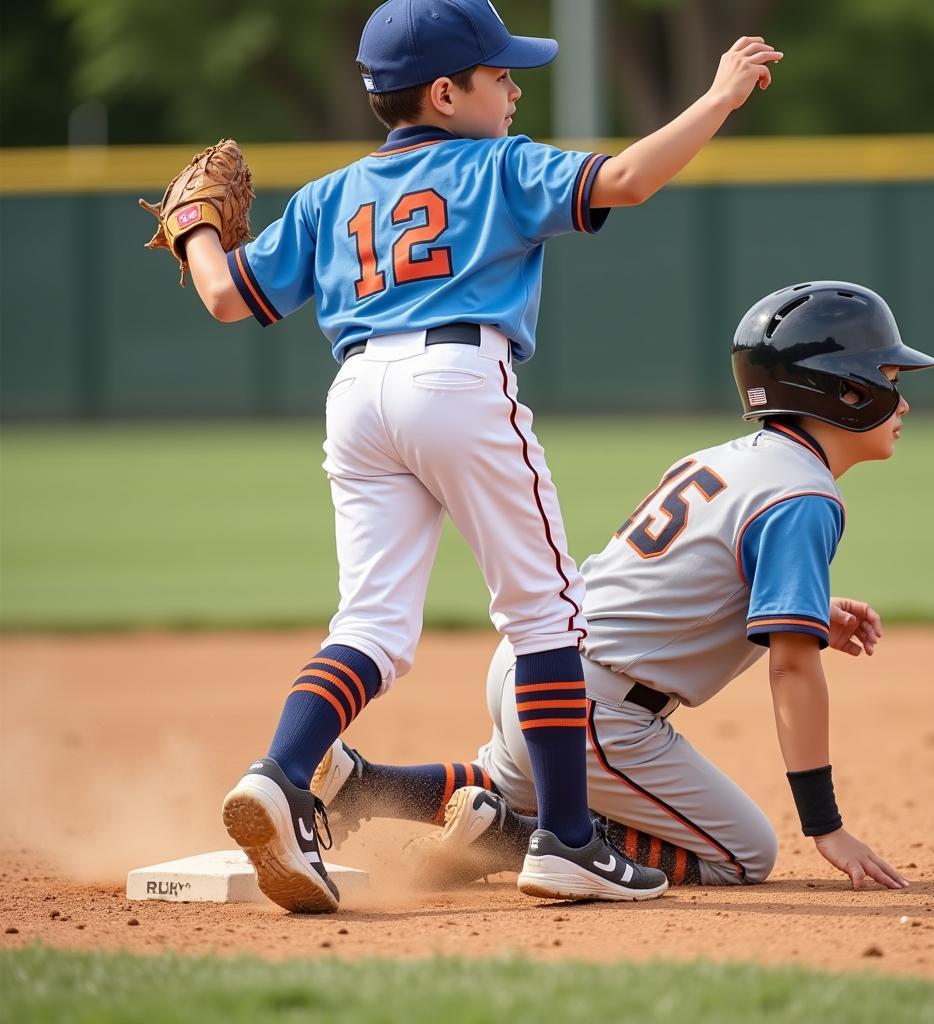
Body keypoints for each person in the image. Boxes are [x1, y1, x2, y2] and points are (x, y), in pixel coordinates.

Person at [177, 0, 783, 911]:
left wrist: (194, 230)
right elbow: (624, 180)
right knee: (549, 617)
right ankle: (571, 844)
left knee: (374, 626)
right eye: (501, 76)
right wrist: (717, 98)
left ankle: (280, 771)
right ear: (447, 92)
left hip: (356, 399)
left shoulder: (329, 194)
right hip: (458, 378)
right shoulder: (498, 164)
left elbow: (226, 298)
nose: (515, 88)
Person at [312, 281, 934, 892]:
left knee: (520, 779)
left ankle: (366, 785)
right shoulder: (805, 494)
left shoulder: (726, 459)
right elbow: (794, 671)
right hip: (598, 706)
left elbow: (688, 574)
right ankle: (508, 835)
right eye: (887, 380)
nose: (903, 402)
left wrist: (807, 609)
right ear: (841, 390)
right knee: (746, 852)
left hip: (531, 664)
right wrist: (827, 828)